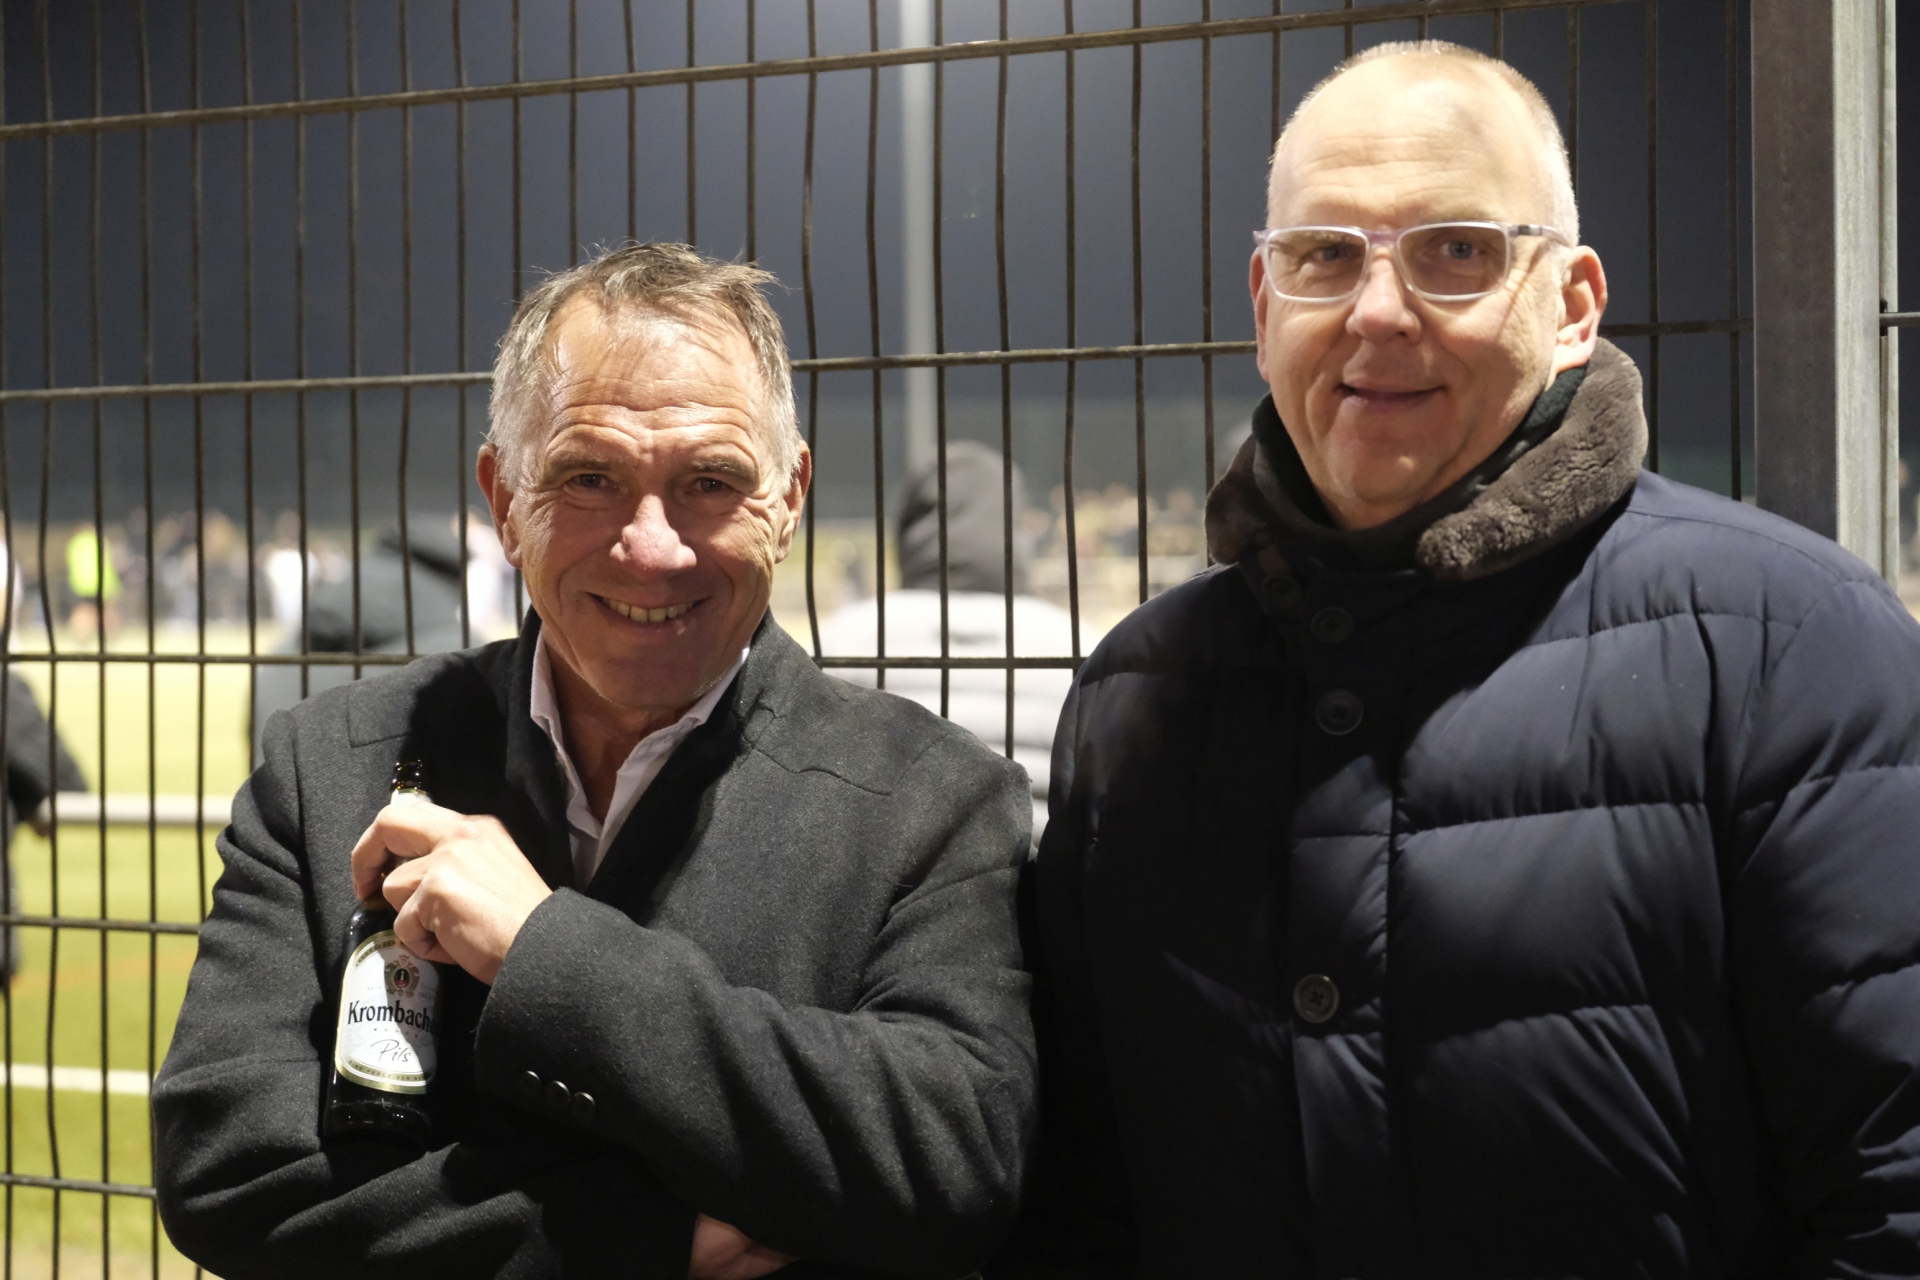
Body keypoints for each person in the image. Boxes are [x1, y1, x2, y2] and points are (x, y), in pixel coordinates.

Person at [996, 41, 1920, 1277]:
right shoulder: (1138, 690)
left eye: (1458, 251)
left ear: (1573, 306)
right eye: (1326, 255)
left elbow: (1896, 1195)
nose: (1378, 310)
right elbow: (1081, 1197)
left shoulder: (1790, 646)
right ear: (1266, 309)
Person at [154, 243, 1036, 1279]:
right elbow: (226, 1170)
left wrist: (544, 951)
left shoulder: (935, 802)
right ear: (502, 499)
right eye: (589, 478)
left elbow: (955, 1160)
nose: (651, 547)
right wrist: (645, 1237)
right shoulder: (326, 769)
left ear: (790, 497)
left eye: (710, 482)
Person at [818, 441, 1090, 842]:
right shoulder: (1076, 642)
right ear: (1014, 527)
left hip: (892, 868)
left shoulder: (849, 637)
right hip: (1039, 867)